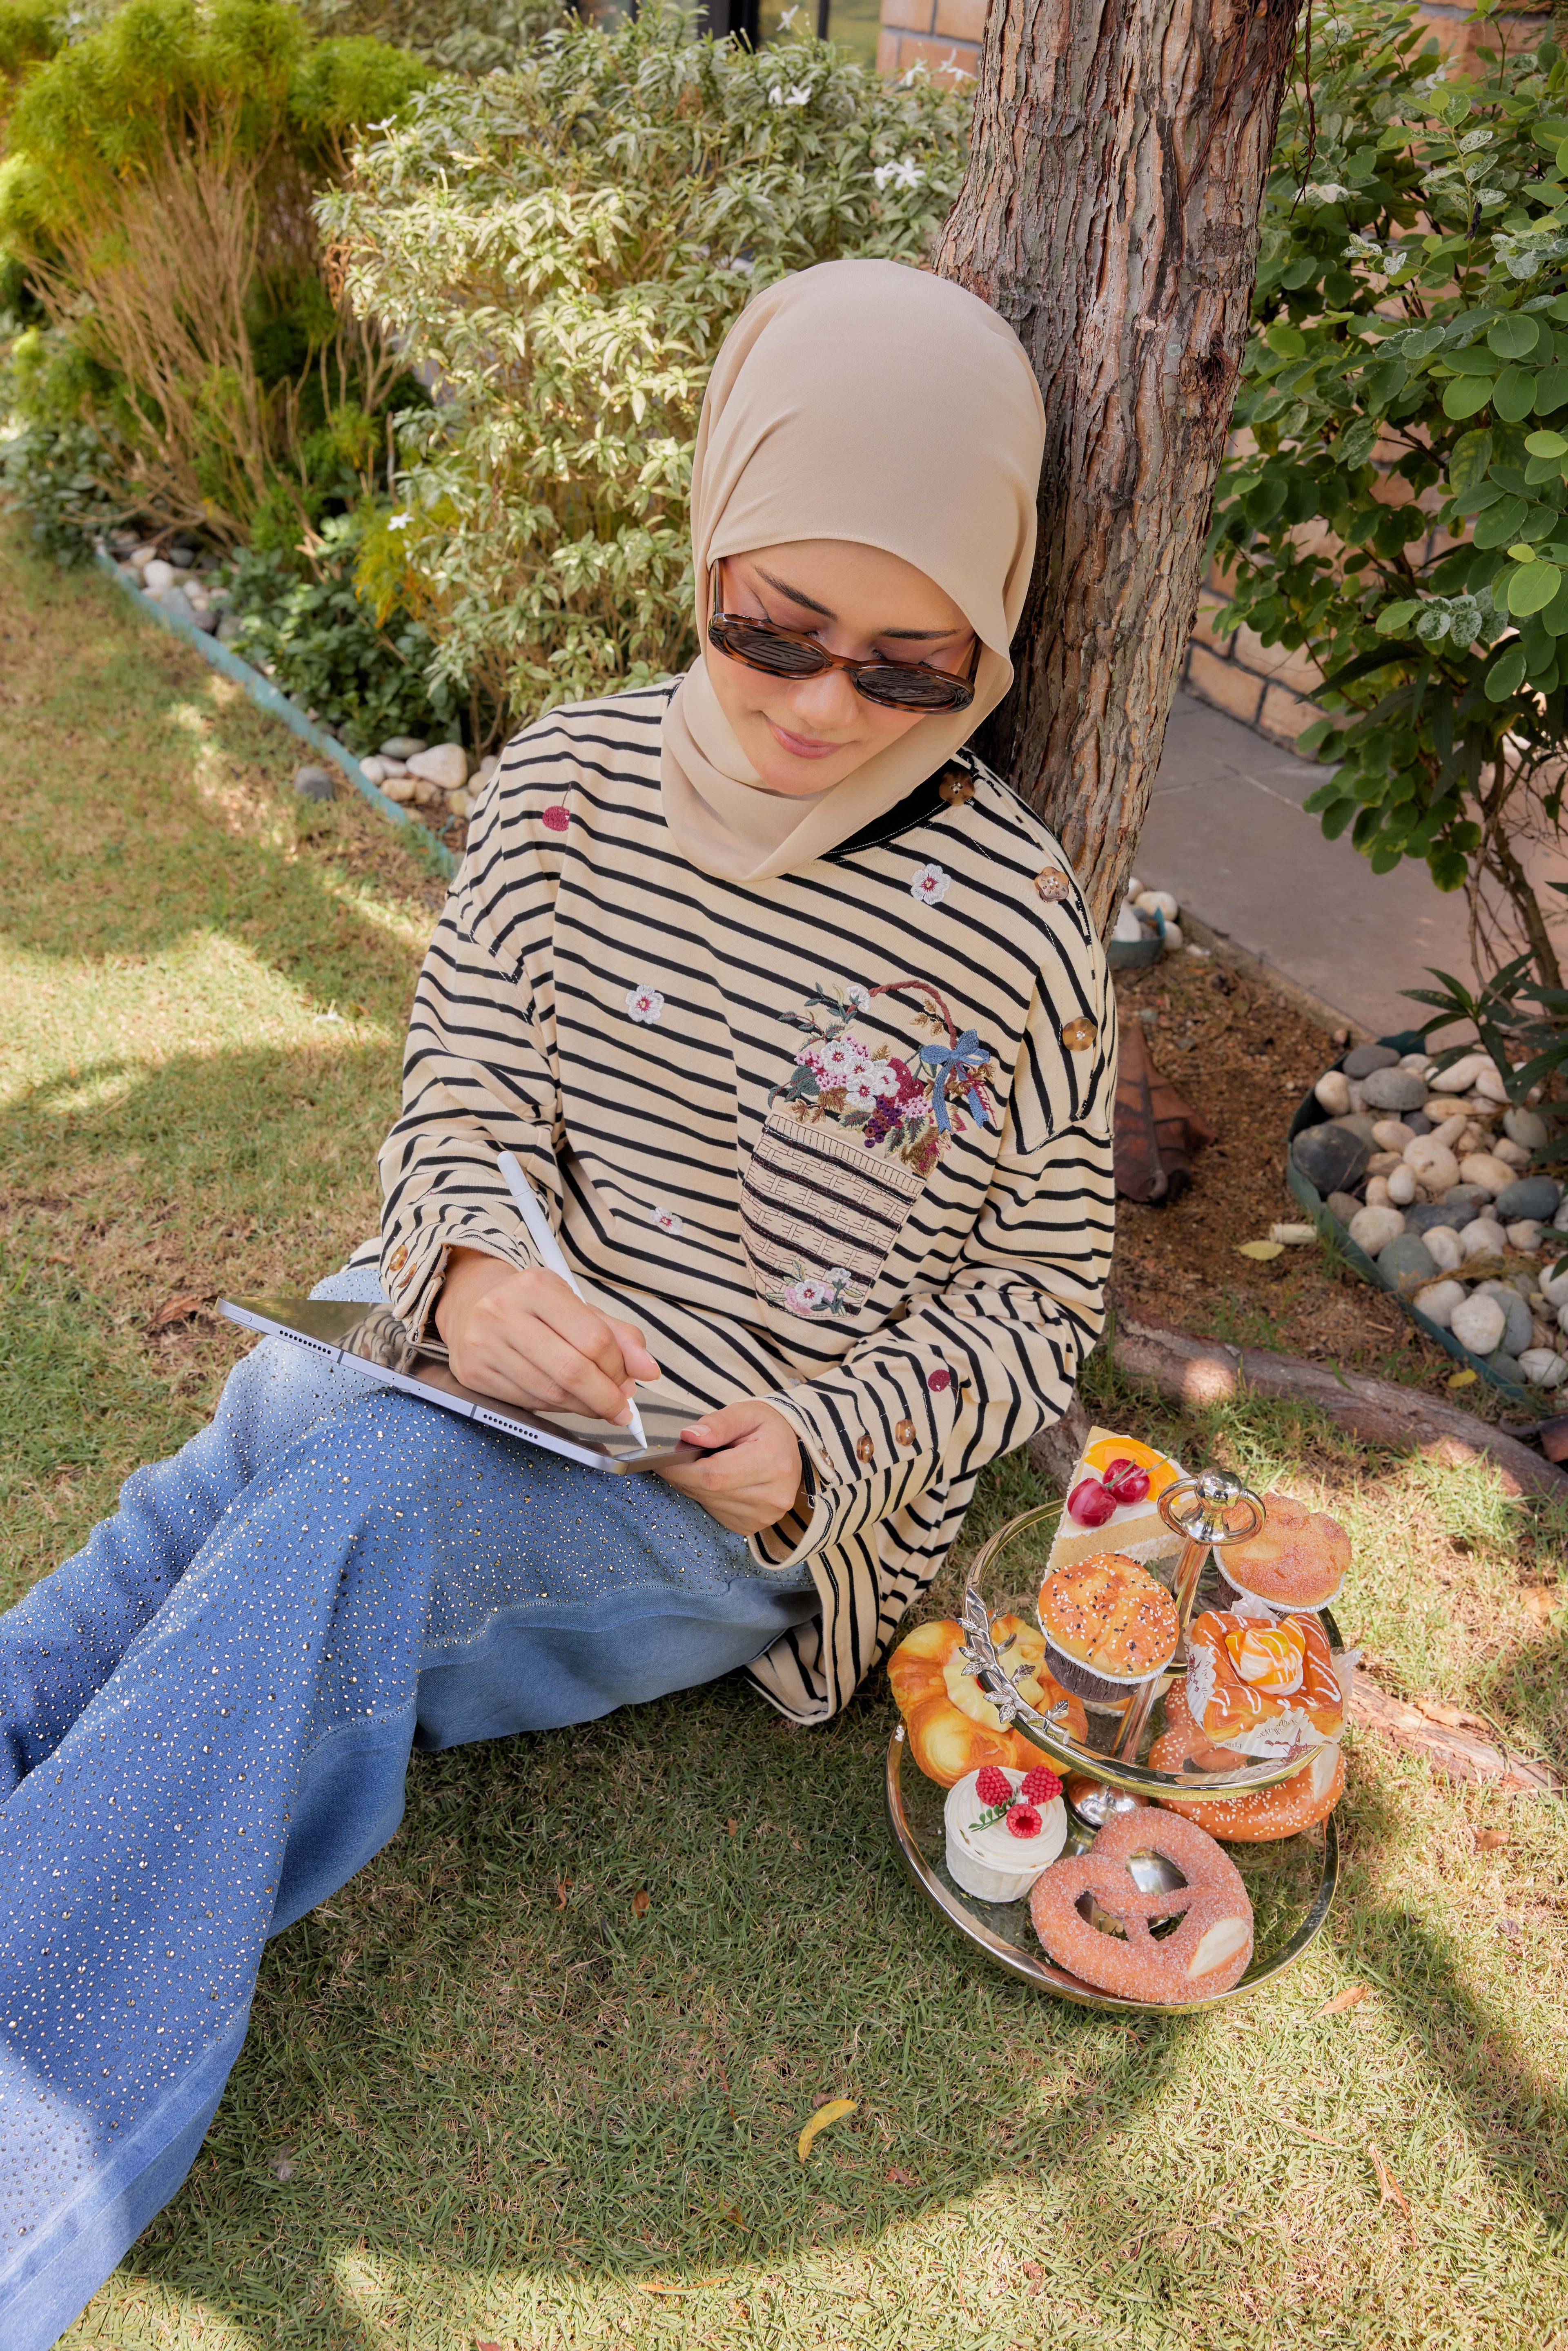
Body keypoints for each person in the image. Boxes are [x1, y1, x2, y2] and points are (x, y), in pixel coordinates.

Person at [0, 258, 1114, 2348]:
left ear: (992, 638)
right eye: (766, 627)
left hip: (714, 1499)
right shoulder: (559, 794)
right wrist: (479, 1271)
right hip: (468, 1359)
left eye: (906, 663)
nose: (814, 705)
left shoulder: (1013, 925)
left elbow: (1046, 1297)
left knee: (329, 1522)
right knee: (247, 1470)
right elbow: (457, 1103)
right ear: (703, 553)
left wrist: (823, 1449)